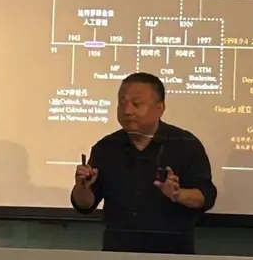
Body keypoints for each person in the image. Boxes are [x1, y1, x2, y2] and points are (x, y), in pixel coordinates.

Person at [71, 72, 217, 254]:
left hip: (171, 252)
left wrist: (178, 194)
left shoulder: (185, 144)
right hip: (118, 251)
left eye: (136, 104)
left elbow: (206, 196)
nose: (127, 111)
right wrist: (82, 187)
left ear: (160, 108)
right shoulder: (106, 147)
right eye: (122, 103)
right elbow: (85, 205)